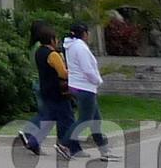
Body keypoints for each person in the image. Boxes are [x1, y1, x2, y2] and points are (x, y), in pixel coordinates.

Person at [18, 18, 80, 158]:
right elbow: (62, 73)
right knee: (67, 119)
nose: (57, 41)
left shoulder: (39, 52)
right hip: (58, 91)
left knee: (48, 117)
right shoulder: (53, 54)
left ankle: (33, 141)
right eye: (56, 38)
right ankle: (65, 145)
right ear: (51, 39)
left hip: (47, 89)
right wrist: (75, 73)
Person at [64, 21, 111, 156]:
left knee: (96, 120)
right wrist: (97, 81)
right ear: (84, 34)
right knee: (84, 120)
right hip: (85, 87)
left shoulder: (71, 46)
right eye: (87, 32)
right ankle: (64, 143)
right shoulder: (80, 48)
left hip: (78, 85)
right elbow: (87, 69)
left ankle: (103, 150)